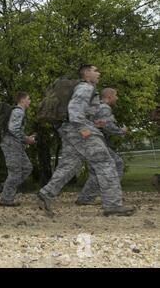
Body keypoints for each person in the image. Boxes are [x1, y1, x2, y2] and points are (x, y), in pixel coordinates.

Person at [38, 65, 135, 217]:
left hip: (70, 130)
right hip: (80, 131)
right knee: (106, 162)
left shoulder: (83, 88)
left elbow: (80, 113)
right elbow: (75, 111)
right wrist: (86, 131)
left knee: (70, 165)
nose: (99, 73)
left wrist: (95, 124)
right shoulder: (86, 87)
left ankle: (47, 193)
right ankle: (113, 205)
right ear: (87, 73)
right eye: (96, 70)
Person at [76, 88, 127, 205]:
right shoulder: (104, 108)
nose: (117, 98)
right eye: (116, 95)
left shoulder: (95, 107)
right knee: (117, 164)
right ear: (109, 96)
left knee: (96, 171)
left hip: (88, 142)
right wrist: (121, 131)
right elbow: (108, 126)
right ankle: (111, 195)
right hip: (95, 143)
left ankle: (85, 199)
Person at [0, 92, 36, 207]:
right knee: (15, 172)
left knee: (27, 167)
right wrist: (26, 139)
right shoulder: (18, 111)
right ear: (22, 100)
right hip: (11, 145)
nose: (30, 101)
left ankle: (6, 187)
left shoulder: (19, 112)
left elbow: (15, 129)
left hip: (15, 145)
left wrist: (25, 139)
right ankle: (6, 199)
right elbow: (13, 129)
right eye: (29, 99)